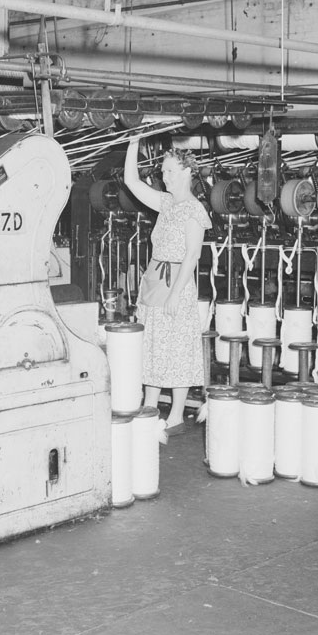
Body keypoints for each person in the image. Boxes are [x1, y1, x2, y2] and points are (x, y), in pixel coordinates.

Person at [123, 135, 212, 435]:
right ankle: (149, 409)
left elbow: (192, 255)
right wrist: (133, 142)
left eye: (170, 171)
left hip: (177, 285)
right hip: (155, 282)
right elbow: (132, 183)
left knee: (176, 349)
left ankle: (174, 416)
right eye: (162, 171)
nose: (164, 175)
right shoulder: (166, 203)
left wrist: (175, 295)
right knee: (152, 348)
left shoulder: (193, 209)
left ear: (187, 172)